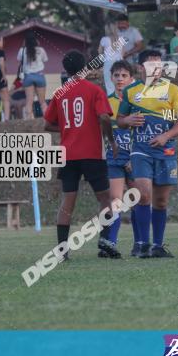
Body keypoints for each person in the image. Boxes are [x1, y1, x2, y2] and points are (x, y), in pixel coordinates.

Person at [44, 50, 121, 260]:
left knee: (68, 201)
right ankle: (105, 242)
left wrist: (70, 130)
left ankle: (62, 250)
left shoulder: (60, 92)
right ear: (85, 66)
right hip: (91, 153)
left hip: (68, 153)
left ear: (66, 69)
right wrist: (111, 140)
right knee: (106, 198)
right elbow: (104, 117)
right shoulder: (93, 90)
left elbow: (47, 124)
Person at [117, 49, 178, 258]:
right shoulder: (131, 91)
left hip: (165, 151)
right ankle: (142, 243)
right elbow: (120, 119)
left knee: (161, 201)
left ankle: (158, 245)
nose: (156, 69)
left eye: (159, 65)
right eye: (151, 65)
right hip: (141, 151)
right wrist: (127, 121)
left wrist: (166, 136)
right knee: (144, 194)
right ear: (140, 67)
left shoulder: (173, 90)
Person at [104, 60, 138, 252]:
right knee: (115, 199)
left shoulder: (137, 101)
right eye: (116, 75)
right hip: (114, 157)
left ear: (131, 79)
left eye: (124, 75)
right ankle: (112, 243)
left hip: (135, 157)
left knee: (137, 200)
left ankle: (139, 243)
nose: (120, 79)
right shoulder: (106, 102)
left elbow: (142, 132)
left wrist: (134, 157)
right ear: (111, 77)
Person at [17, 31, 49, 119]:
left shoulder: (22, 50)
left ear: (25, 41)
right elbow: (45, 60)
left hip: (28, 77)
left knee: (29, 101)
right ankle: (47, 120)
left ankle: (29, 122)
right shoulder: (41, 50)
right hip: (40, 76)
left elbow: (19, 62)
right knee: (42, 102)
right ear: (35, 40)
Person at [99, 20, 125, 95]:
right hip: (120, 63)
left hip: (109, 63)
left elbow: (100, 52)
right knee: (120, 83)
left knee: (109, 85)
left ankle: (112, 103)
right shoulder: (121, 39)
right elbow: (123, 53)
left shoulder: (104, 39)